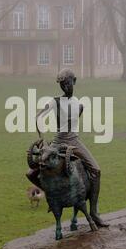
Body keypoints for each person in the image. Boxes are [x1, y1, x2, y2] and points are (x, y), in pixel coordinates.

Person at [27, 68, 106, 227]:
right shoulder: (55, 102)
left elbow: (74, 123)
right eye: (62, 85)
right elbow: (38, 117)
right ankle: (52, 193)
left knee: (96, 171)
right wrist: (41, 138)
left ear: (74, 81)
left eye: (68, 83)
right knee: (32, 173)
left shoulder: (80, 105)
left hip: (74, 141)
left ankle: (94, 212)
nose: (65, 87)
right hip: (58, 141)